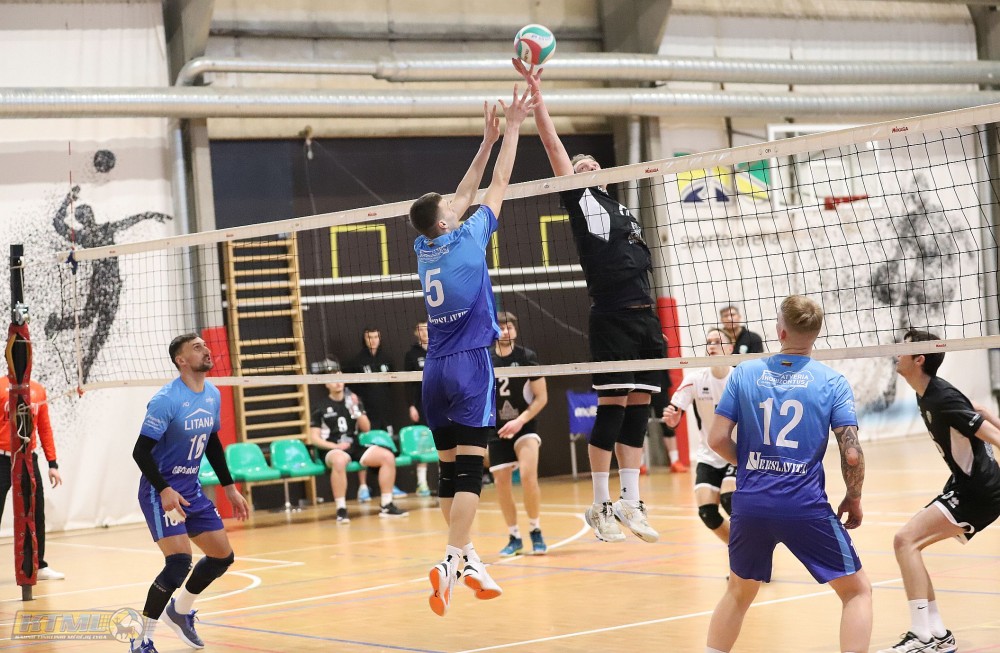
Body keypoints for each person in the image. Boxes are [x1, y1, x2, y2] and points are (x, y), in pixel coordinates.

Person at [514, 60, 661, 544]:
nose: (589, 166)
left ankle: (630, 501)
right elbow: (553, 146)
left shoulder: (623, 210)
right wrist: (539, 100)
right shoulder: (580, 201)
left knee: (639, 407)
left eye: (593, 164)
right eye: (581, 167)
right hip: (612, 316)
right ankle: (600, 505)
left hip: (645, 318)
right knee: (612, 408)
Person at [409, 85, 534, 616]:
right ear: (446, 221)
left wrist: (485, 139)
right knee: (469, 474)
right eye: (449, 207)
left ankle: (468, 560)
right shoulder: (468, 238)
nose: (456, 204)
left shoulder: (424, 246)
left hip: (432, 370)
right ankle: (450, 559)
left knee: (447, 471)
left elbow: (461, 194)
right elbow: (498, 183)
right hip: (469, 367)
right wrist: (514, 128)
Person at [704, 295, 870, 653]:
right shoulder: (832, 382)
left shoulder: (744, 372)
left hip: (750, 505)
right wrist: (853, 497)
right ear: (816, 333)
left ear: (780, 332)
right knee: (857, 592)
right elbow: (852, 454)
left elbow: (716, 439)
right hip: (803, 506)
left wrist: (751, 464)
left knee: (738, 593)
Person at [877, 329, 1000, 653]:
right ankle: (938, 636)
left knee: (905, 541)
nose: (897, 353)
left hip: (980, 491)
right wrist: (989, 415)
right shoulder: (928, 392)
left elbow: (991, 435)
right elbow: (977, 411)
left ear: (919, 359)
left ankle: (922, 637)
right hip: (966, 485)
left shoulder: (941, 398)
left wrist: (989, 422)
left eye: (904, 349)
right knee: (910, 543)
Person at [130, 333, 250, 653]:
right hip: (160, 491)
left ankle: (180, 611)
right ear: (181, 360)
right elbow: (140, 452)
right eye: (197, 348)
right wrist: (164, 489)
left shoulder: (212, 394)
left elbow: (212, 442)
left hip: (191, 490)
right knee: (179, 562)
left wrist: (229, 487)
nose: (206, 350)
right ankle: (141, 639)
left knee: (222, 557)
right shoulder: (166, 400)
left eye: (205, 346)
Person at [309, 364, 408, 523]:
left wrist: (356, 409)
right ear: (326, 383)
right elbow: (314, 438)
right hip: (332, 449)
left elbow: (366, 428)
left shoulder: (353, 401)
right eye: (333, 379)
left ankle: (387, 504)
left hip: (353, 446)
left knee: (387, 457)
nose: (338, 382)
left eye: (340, 378)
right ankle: (341, 509)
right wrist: (335, 447)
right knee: (339, 460)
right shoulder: (320, 407)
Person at [662, 328, 736, 543]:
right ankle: (739, 550)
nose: (712, 346)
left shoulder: (739, 378)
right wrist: (673, 419)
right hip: (709, 454)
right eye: (709, 342)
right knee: (707, 513)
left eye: (718, 341)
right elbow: (675, 409)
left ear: (730, 348)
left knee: (730, 500)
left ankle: (751, 550)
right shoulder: (695, 379)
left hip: (737, 453)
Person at [490, 312, 549, 556]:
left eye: (510, 327)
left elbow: (541, 397)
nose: (506, 331)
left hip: (524, 426)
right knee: (501, 483)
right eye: (501, 327)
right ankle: (514, 536)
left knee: (527, 476)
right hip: (496, 429)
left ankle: (535, 530)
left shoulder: (527, 357)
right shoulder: (486, 358)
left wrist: (520, 420)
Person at [0, 378, 64, 580]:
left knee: (36, 512)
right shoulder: (1, 387)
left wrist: (52, 464)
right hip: (2, 458)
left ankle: (39, 565)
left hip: (28, 458)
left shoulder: (38, 390)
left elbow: (44, 428)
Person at [345, 327, 406, 501]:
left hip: (385, 413)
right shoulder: (357, 361)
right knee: (366, 447)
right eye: (369, 337)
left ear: (380, 338)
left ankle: (390, 486)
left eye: (375, 337)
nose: (373, 340)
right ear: (364, 339)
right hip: (367, 414)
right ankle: (363, 487)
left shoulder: (387, 360)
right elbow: (350, 388)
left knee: (387, 448)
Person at [403, 320, 432, 497]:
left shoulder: (439, 348)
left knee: (445, 440)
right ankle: (422, 483)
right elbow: (407, 384)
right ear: (416, 332)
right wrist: (411, 406)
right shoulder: (411, 355)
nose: (425, 333)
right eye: (421, 330)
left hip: (440, 402)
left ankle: (447, 478)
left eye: (427, 329)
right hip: (421, 404)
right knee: (423, 443)